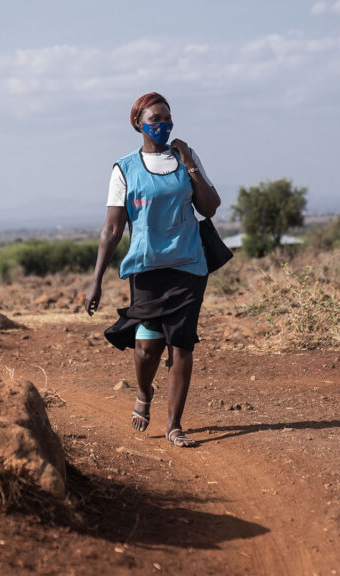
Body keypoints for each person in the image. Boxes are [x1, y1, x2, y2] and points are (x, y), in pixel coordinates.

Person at [84, 92, 221, 448]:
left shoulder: (185, 159)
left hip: (189, 266)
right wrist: (95, 280)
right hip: (146, 270)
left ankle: (175, 425)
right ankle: (144, 393)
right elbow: (112, 228)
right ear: (138, 124)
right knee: (146, 349)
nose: (163, 125)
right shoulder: (124, 169)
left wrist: (189, 161)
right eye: (155, 119)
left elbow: (210, 208)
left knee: (182, 346)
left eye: (168, 119)